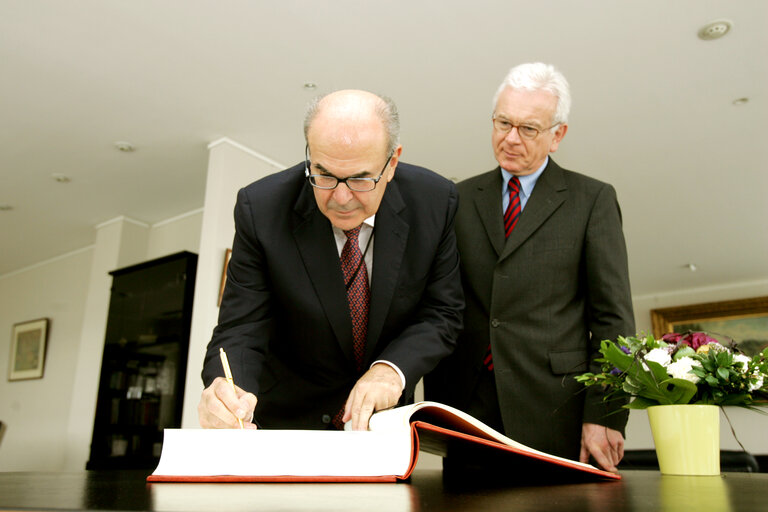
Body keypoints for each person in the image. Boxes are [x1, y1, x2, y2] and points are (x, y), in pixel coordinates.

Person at [198, 89, 463, 432]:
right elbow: (241, 326)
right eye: (323, 174)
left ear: (392, 162)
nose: (340, 198)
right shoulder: (261, 209)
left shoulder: (434, 202)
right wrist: (225, 390)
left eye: (360, 179)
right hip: (287, 422)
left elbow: (442, 312)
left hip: (380, 425)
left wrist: (389, 369)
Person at [425, 63, 635, 473]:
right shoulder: (457, 199)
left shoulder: (592, 200)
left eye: (528, 128)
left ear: (558, 135)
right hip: (466, 408)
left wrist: (606, 414)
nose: (509, 138)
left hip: (556, 407)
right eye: (503, 122)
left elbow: (614, 320)